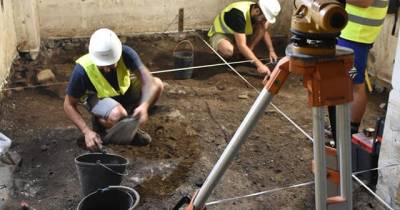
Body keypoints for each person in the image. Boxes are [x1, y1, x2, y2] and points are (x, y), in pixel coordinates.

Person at [64, 28, 164, 151]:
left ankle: (130, 121)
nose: (106, 69)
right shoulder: (81, 70)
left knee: (158, 85)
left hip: (121, 92)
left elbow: (149, 81)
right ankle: (102, 124)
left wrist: (143, 106)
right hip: (98, 97)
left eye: (111, 64)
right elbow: (68, 105)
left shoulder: (126, 53)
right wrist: (86, 131)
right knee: (118, 114)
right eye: (101, 65)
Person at [328, 0, 388, 141]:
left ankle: (349, 133)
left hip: (356, 34)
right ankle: (340, 130)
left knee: (355, 82)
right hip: (350, 30)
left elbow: (364, 1)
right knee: (344, 80)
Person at [208, 0, 281, 75]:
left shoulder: (255, 9)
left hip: (238, 32)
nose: (264, 20)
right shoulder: (238, 15)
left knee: (263, 25)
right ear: (257, 11)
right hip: (222, 33)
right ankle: (243, 53)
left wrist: (271, 50)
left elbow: (264, 30)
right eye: (264, 18)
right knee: (228, 50)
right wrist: (259, 65)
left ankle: (247, 52)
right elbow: (241, 45)